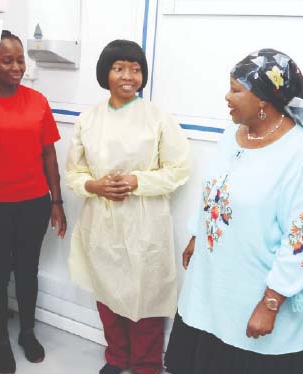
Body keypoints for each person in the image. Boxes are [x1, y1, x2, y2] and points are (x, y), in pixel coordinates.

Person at [165, 49, 303, 374]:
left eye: (236, 89)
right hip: (217, 281)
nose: (227, 97)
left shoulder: (301, 153)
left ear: (265, 100)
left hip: (261, 291)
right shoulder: (233, 134)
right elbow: (215, 189)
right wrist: (198, 234)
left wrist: (271, 302)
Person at [65, 39, 190, 374]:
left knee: (147, 297)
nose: (128, 76)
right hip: (101, 223)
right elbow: (74, 172)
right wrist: (95, 185)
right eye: (119, 68)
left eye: (136, 69)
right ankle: (117, 357)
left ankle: (146, 363)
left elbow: (179, 170)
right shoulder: (88, 120)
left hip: (144, 222)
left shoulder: (158, 119)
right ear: (105, 73)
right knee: (107, 293)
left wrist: (137, 182)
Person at [0, 30, 67, 374]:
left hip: (34, 203)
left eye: (20, 59)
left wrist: (57, 201)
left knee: (26, 271)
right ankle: (1, 343)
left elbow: (49, 153)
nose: (17, 67)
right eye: (7, 60)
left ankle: (27, 333)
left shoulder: (37, 101)